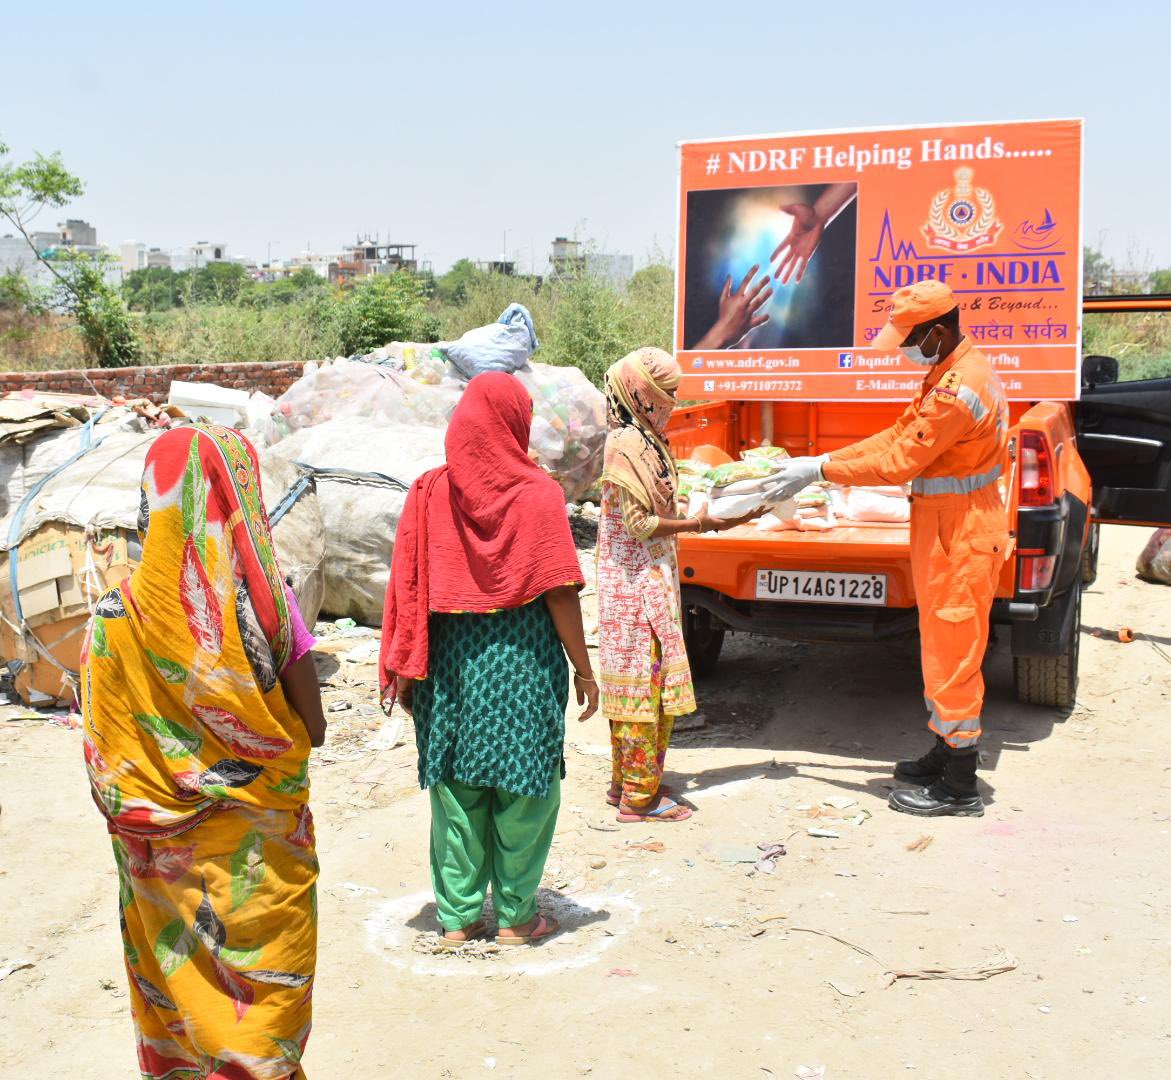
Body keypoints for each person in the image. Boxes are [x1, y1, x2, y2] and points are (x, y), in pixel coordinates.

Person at [81, 423, 326, 1080]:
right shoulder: (268, 611)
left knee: (183, 1006)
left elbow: (105, 758)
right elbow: (316, 729)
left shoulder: (111, 615)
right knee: (258, 1017)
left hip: (158, 861)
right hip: (260, 858)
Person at [771, 281, 1009, 817]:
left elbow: (900, 460)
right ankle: (945, 750)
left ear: (939, 329)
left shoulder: (958, 387)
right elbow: (894, 436)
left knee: (953, 652)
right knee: (940, 644)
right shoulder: (947, 373)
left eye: (910, 336)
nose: (904, 346)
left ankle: (959, 785)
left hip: (963, 532)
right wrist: (820, 461)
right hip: (949, 528)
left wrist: (820, 469)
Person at [380, 372, 598, 948]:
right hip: (522, 664)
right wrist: (585, 668)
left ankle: (455, 920)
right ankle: (516, 918)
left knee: (456, 792)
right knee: (525, 791)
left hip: (451, 669)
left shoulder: (431, 491)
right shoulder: (538, 494)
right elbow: (558, 590)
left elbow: (408, 584)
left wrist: (406, 667)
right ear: (513, 423)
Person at [598, 347, 752, 823]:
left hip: (645, 578)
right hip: (634, 585)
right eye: (664, 394)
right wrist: (699, 524)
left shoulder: (644, 436)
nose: (671, 403)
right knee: (645, 685)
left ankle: (627, 782)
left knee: (640, 684)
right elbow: (641, 523)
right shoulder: (627, 445)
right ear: (640, 394)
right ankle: (639, 799)